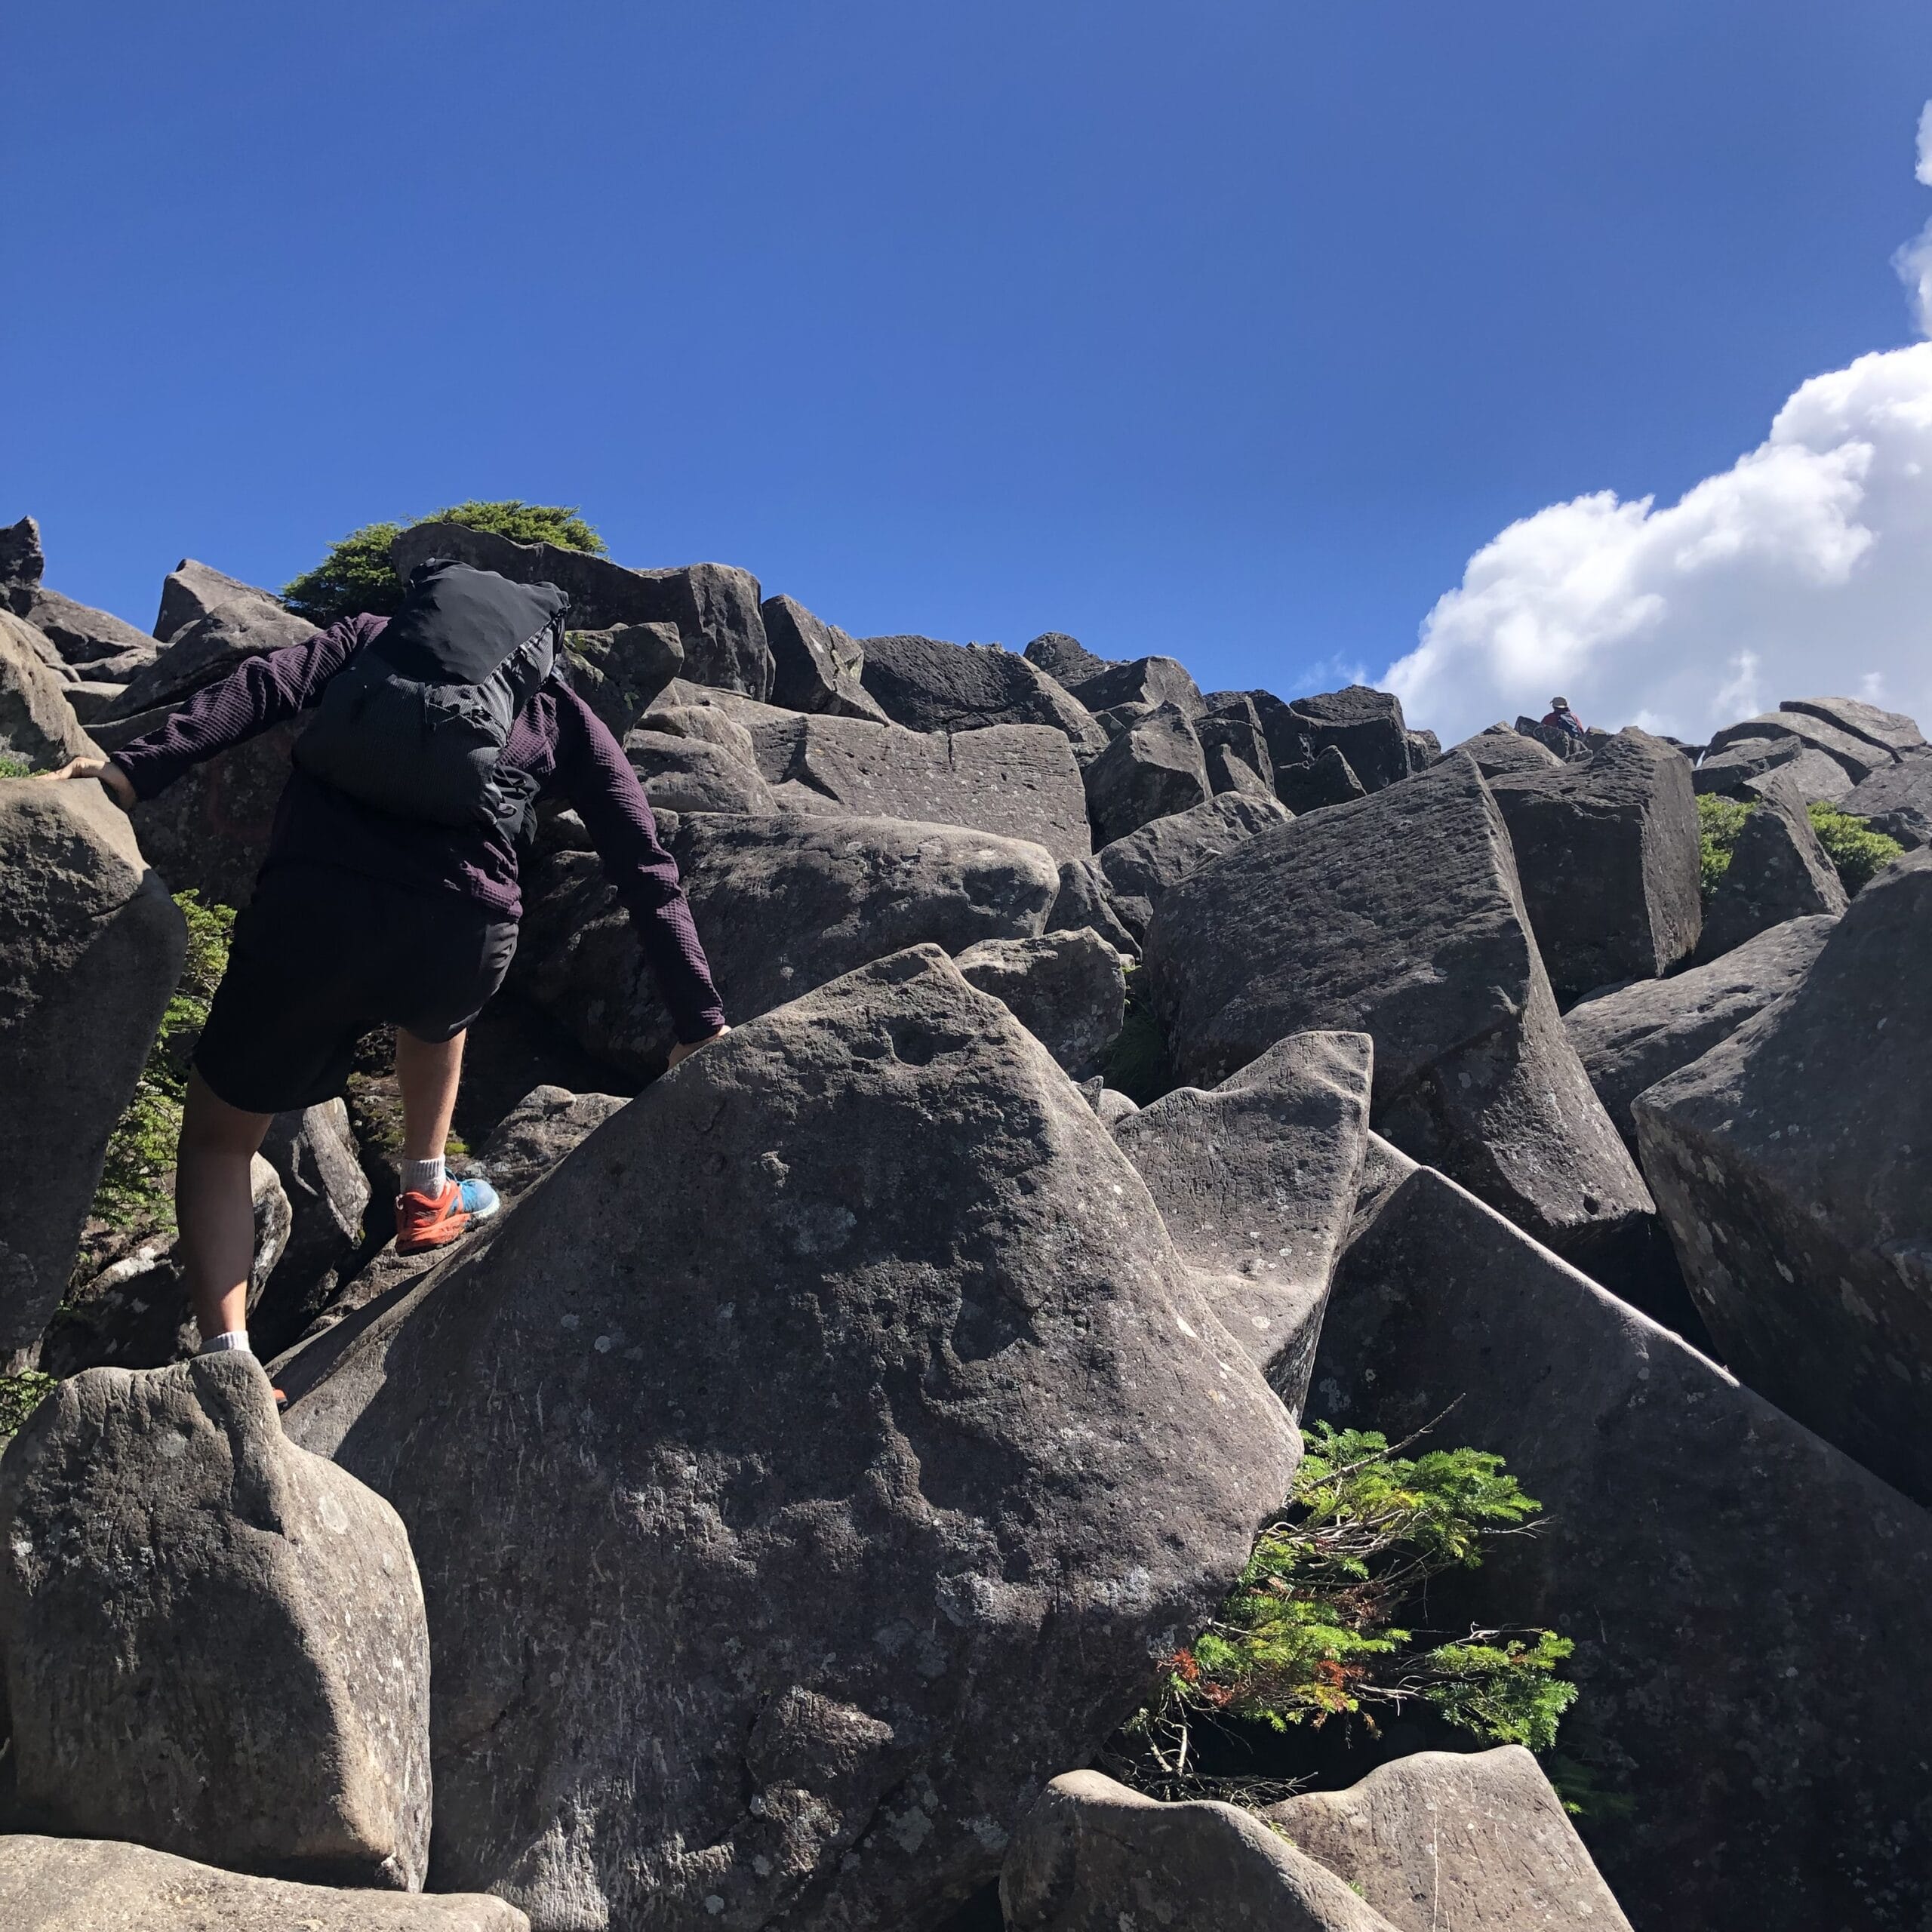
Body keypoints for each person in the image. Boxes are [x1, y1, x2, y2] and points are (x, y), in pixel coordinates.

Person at [41, 561, 729, 1374]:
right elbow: (645, 867)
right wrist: (699, 1022)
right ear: (535, 645)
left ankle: (229, 1364)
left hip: (311, 916)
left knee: (220, 1146)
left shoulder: (369, 642)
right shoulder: (560, 710)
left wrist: (131, 770)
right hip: (461, 935)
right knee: (441, 1010)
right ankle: (427, 1189)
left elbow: (260, 685)